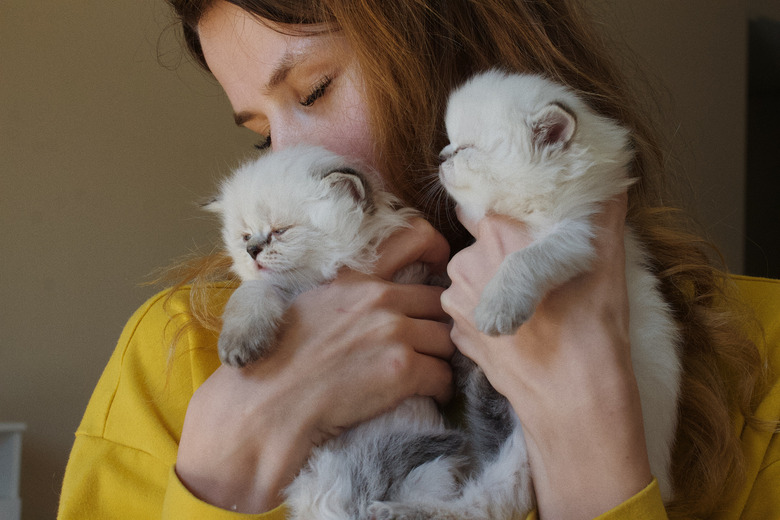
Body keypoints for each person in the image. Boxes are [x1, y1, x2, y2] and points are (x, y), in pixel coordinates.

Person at [58, 1, 779, 518]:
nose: (289, 159)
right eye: (260, 134)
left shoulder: (764, 350)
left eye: (315, 90)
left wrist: (589, 427)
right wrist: (229, 461)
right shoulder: (177, 352)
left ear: (460, 42)